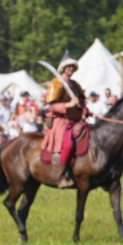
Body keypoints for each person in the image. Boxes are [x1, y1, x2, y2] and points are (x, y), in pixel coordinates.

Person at [41, 51, 86, 188]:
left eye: (73, 66)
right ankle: (61, 176)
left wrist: (85, 109)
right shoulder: (56, 83)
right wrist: (68, 105)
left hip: (77, 121)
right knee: (69, 145)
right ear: (63, 68)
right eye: (68, 66)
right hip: (61, 121)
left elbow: (82, 102)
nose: (71, 68)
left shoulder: (75, 85)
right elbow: (51, 106)